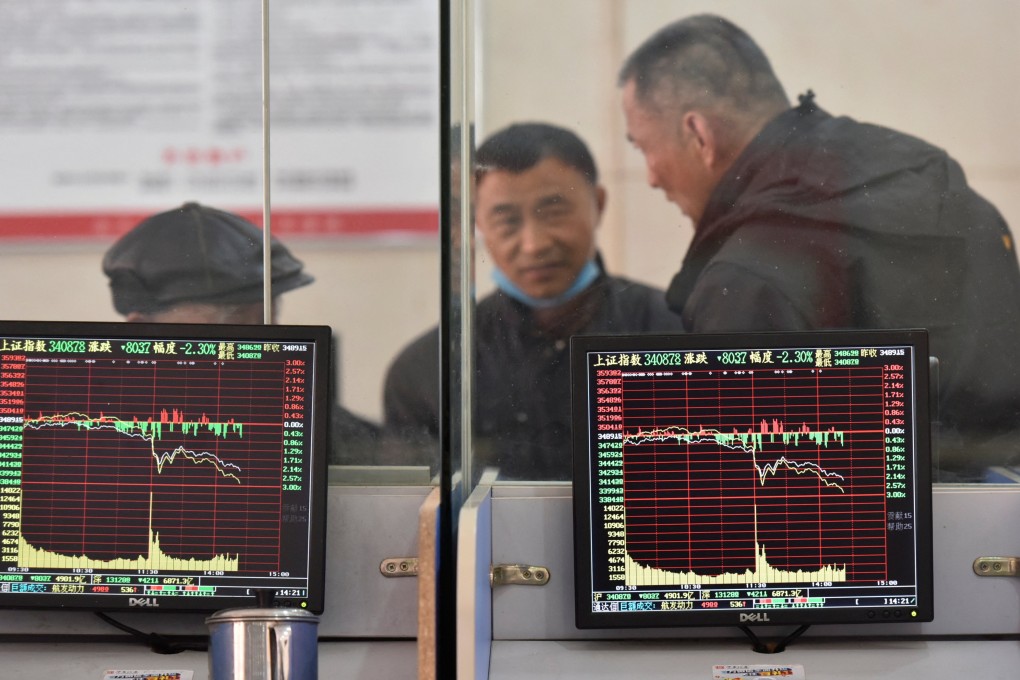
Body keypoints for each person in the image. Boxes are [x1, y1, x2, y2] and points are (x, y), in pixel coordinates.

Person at [618, 14, 1020, 477]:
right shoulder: (943, 186)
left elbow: (751, 495)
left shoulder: (747, 276)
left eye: (643, 148)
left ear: (698, 135)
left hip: (857, 524)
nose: (651, 177)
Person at [383, 123, 684, 481]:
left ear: (599, 204)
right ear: (478, 224)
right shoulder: (429, 370)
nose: (534, 244)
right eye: (507, 221)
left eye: (553, 212)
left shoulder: (675, 333)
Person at [102, 201, 381, 464]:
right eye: (228, 333)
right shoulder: (100, 429)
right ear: (141, 331)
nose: (259, 352)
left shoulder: (309, 421)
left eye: (266, 325)